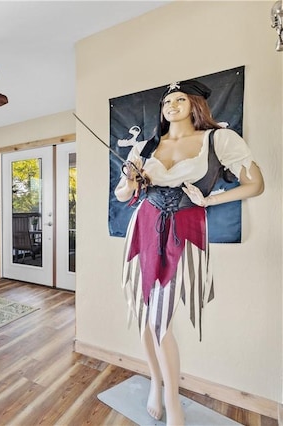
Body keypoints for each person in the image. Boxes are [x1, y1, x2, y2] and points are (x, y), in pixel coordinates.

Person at [114, 79, 264, 425]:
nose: (172, 105)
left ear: (195, 104)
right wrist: (132, 180)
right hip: (144, 229)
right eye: (167, 101)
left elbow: (255, 184)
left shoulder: (217, 139)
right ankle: (156, 383)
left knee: (159, 319)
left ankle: (171, 395)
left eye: (180, 99)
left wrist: (209, 199)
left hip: (184, 230)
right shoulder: (148, 146)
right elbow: (123, 195)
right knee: (146, 312)